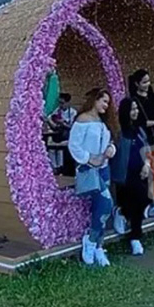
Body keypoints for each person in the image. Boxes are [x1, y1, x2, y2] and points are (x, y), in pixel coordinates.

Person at [68, 88, 117, 267]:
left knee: (100, 208)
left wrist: (111, 149)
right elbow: (74, 145)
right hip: (89, 169)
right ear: (95, 100)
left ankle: (98, 245)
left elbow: (109, 142)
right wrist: (89, 158)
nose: (106, 105)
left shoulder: (102, 122)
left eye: (108, 103)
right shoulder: (82, 120)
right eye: (104, 101)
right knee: (106, 203)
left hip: (104, 168)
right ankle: (90, 240)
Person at [118, 69, 154, 221]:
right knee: (149, 171)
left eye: (148, 81)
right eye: (144, 82)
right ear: (136, 83)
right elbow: (137, 121)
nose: (148, 84)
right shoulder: (134, 100)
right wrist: (153, 122)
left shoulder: (151, 95)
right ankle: (151, 203)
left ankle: (150, 201)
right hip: (142, 137)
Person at [111, 99, 150, 256]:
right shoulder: (118, 131)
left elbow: (147, 149)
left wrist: (147, 164)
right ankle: (134, 234)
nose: (135, 112)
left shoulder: (139, 129)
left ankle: (132, 231)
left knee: (142, 201)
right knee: (139, 198)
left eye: (136, 108)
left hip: (141, 172)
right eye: (132, 109)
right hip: (124, 175)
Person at [48, 93, 76, 173]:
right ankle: (54, 168)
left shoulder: (73, 113)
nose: (60, 105)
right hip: (58, 135)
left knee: (61, 150)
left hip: (67, 137)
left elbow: (73, 128)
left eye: (62, 103)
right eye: (59, 103)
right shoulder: (57, 111)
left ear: (68, 103)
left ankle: (61, 168)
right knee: (52, 149)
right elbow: (51, 119)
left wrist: (64, 124)